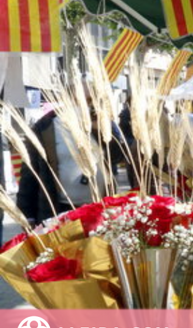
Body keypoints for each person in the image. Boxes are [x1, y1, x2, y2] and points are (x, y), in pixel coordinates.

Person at [17, 87, 126, 226]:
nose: (90, 105)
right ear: (69, 99)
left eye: (94, 100)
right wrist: (27, 215)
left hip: (99, 209)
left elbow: (118, 157)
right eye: (86, 100)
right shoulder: (45, 127)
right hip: (59, 210)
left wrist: (102, 131)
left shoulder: (101, 125)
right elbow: (30, 173)